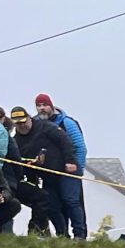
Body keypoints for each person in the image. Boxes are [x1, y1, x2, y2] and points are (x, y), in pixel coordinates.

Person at [7, 106, 68, 235]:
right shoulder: (15, 140)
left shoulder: (46, 127)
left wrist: (71, 161)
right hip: (25, 177)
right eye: (18, 123)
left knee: (66, 202)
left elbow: (65, 141)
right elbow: (16, 162)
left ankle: (49, 231)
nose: (21, 125)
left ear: (29, 118)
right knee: (46, 201)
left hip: (57, 171)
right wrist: (27, 164)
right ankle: (39, 231)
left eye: (23, 122)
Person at [34, 94, 88, 239]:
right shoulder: (36, 125)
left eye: (45, 105)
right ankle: (62, 234)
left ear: (51, 106)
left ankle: (79, 234)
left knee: (71, 202)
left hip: (69, 170)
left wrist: (78, 168)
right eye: (39, 106)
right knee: (52, 205)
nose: (42, 108)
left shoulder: (67, 122)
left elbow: (80, 146)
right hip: (48, 172)